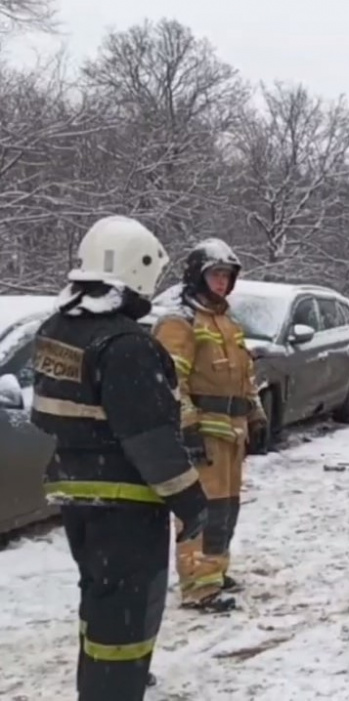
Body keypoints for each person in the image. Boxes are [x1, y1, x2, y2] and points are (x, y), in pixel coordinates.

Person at [29, 216, 208, 701]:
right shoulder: (126, 344)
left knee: (101, 606)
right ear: (136, 268)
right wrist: (191, 502)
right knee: (127, 621)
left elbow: (45, 414)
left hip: (78, 496)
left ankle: (99, 687)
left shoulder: (57, 330)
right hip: (126, 503)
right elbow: (150, 440)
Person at [153, 238, 267, 613]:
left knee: (226, 510)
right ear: (198, 276)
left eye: (227, 276)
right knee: (201, 511)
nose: (221, 281)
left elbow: (246, 376)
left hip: (232, 435)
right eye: (215, 274)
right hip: (202, 435)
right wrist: (186, 428)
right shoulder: (180, 322)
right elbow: (171, 382)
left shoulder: (228, 323)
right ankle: (198, 585)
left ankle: (214, 571)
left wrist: (256, 414)